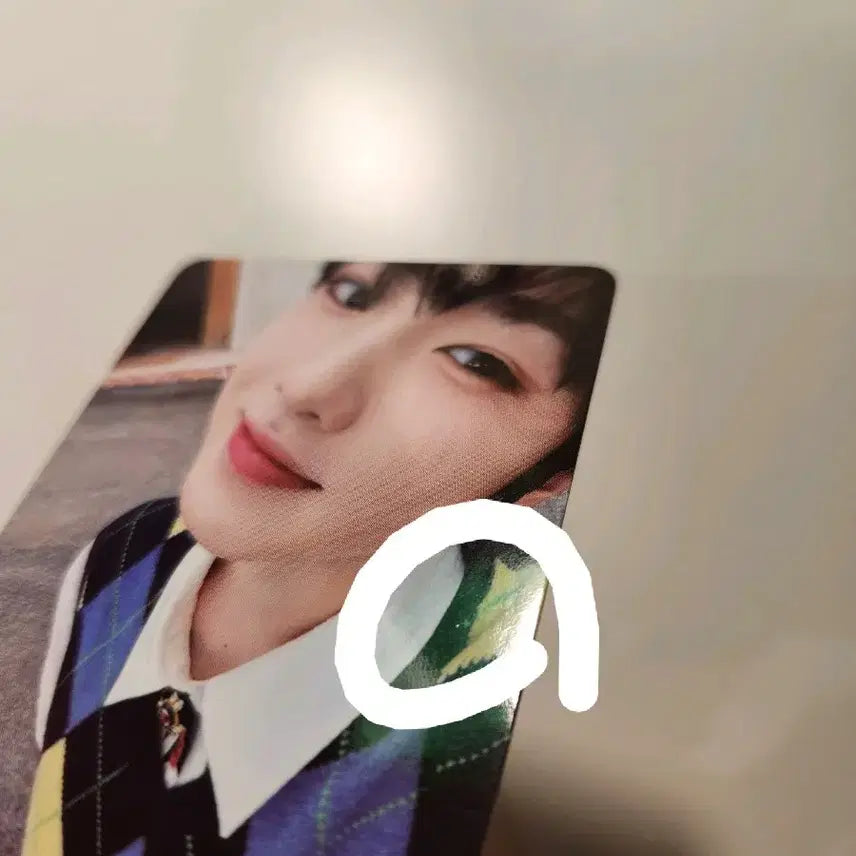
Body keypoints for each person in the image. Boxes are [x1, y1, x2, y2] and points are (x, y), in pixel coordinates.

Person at [23, 261, 613, 856]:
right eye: (352, 293)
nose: (308, 386)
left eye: (476, 362)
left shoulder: (518, 762)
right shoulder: (128, 552)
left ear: (551, 476)